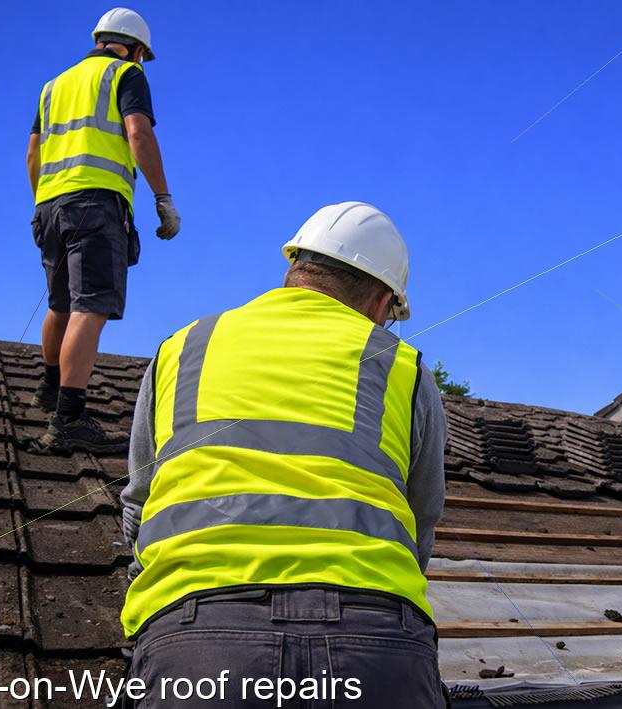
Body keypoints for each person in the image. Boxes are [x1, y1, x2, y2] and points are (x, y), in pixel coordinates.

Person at [119, 202, 449, 708]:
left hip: (199, 641)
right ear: (383, 301)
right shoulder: (403, 365)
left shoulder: (184, 346)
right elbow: (421, 518)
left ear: (296, 268)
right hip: (378, 644)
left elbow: (140, 505)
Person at [26, 7, 181, 453]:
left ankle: (50, 389)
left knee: (59, 302)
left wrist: (43, 202)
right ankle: (69, 419)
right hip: (97, 203)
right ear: (135, 49)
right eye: (142, 57)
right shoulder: (125, 76)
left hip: (51, 203)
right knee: (89, 306)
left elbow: (33, 154)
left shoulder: (53, 85)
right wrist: (163, 198)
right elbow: (139, 134)